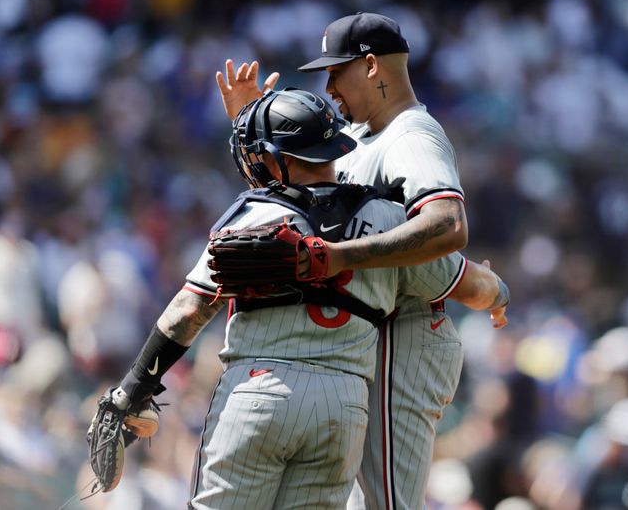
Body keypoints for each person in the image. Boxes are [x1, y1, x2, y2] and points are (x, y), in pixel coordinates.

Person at [91, 88, 507, 509]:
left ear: (284, 159)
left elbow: (188, 311)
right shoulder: (389, 221)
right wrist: (497, 292)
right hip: (343, 406)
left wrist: (130, 390)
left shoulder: (255, 216)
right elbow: (469, 284)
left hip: (260, 389)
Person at [215, 12, 503, 509]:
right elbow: (299, 214)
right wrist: (254, 127)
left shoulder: (411, 134)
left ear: (371, 66)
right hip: (358, 338)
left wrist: (338, 257)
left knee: (383, 503)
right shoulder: (356, 137)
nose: (327, 85)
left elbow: (448, 226)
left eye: (335, 71)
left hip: (404, 332)